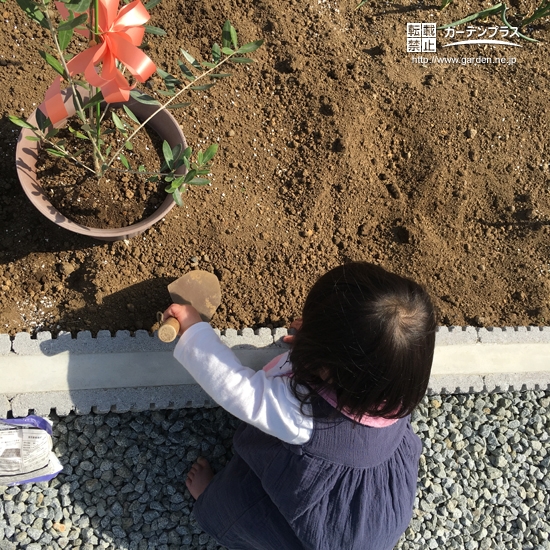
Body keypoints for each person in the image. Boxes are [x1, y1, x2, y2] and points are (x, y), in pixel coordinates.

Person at [163, 261, 436, 550]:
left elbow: (237, 389)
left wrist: (194, 330)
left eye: (312, 331)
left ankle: (210, 500)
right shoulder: (393, 383)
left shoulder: (304, 415)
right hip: (372, 510)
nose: (299, 323)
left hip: (323, 530)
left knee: (239, 504)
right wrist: (314, 349)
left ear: (328, 368)